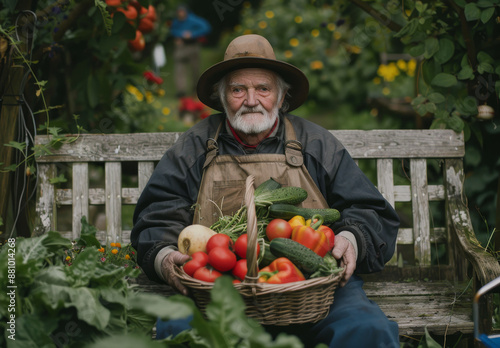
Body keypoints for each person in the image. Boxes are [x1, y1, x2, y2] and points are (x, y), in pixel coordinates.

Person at [131, 34, 401, 347]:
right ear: (222, 97)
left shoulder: (315, 144)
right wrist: (164, 257)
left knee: (367, 330)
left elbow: (368, 210)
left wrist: (351, 238)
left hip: (312, 292)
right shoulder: (194, 148)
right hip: (215, 291)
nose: (250, 100)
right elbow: (156, 215)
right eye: (237, 89)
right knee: (180, 331)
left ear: (281, 96)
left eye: (263, 89)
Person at [169, 5, 211, 98]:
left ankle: (195, 89)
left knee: (195, 69)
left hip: (193, 46)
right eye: (178, 13)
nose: (180, 14)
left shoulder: (194, 20)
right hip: (181, 47)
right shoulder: (176, 22)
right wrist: (180, 35)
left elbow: (206, 27)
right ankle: (181, 91)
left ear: (186, 12)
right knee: (179, 69)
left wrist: (192, 34)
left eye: (182, 12)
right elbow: (172, 30)